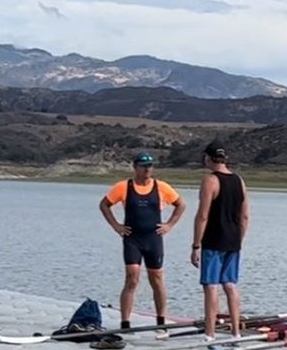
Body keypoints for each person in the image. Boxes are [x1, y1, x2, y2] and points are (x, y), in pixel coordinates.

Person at [98, 151, 185, 337]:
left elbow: (180, 205)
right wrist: (116, 226)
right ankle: (125, 322)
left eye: (150, 166)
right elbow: (104, 204)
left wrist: (169, 225)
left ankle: (161, 321)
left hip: (153, 239)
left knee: (157, 279)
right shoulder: (123, 187)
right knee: (132, 278)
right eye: (144, 166)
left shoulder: (161, 187)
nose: (147, 170)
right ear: (135, 167)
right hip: (132, 238)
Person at [190, 143, 249, 340]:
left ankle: (210, 333)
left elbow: (202, 216)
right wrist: (238, 239)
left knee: (211, 285)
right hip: (233, 240)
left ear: (208, 158)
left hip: (214, 240)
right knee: (230, 285)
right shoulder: (239, 181)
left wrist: (196, 245)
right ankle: (236, 332)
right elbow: (245, 216)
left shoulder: (210, 180)